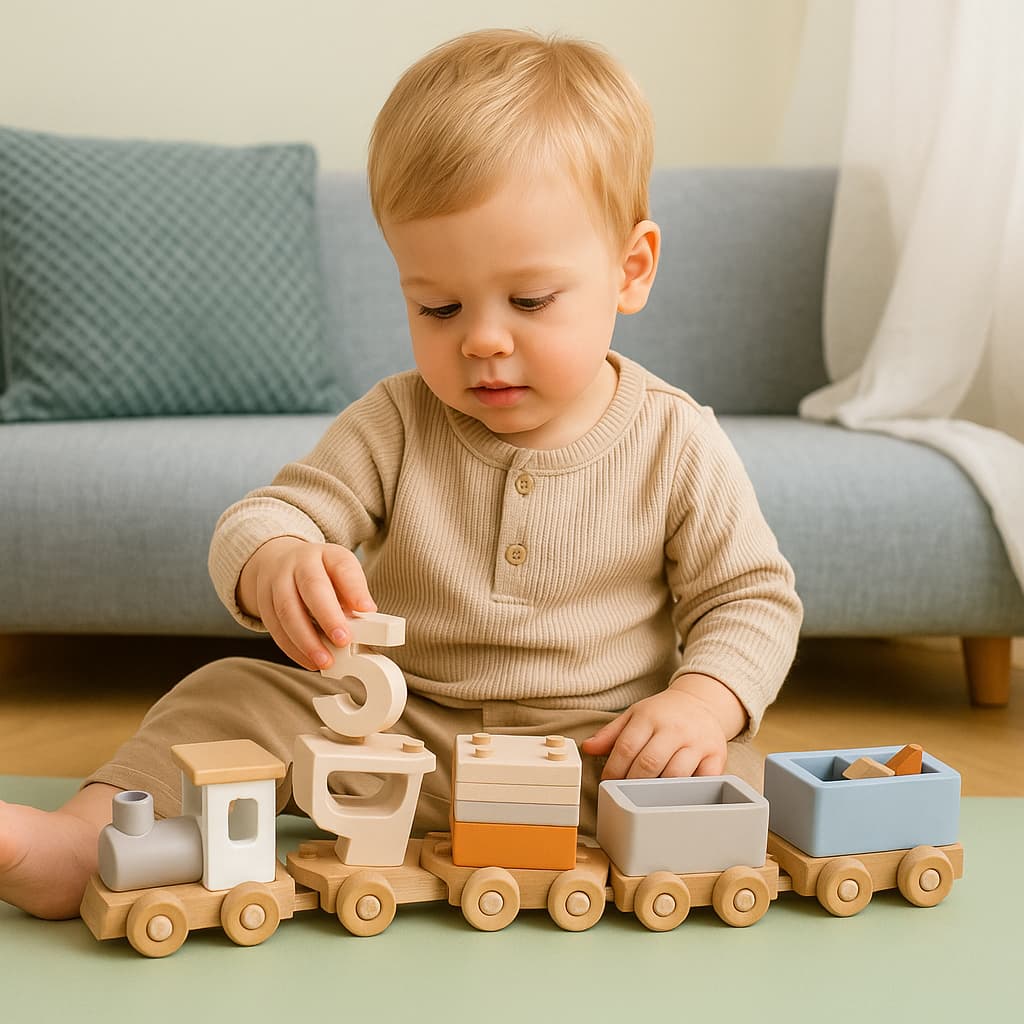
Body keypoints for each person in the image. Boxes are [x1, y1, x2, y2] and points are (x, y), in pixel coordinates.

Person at [0, 28, 802, 921]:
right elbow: (269, 514)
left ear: (631, 268)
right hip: (391, 742)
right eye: (438, 305)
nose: (482, 339)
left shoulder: (676, 441)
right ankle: (87, 844)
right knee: (225, 696)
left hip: (592, 758)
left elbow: (752, 600)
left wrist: (703, 700)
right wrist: (277, 562)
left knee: (746, 783)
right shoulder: (396, 419)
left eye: (530, 301)